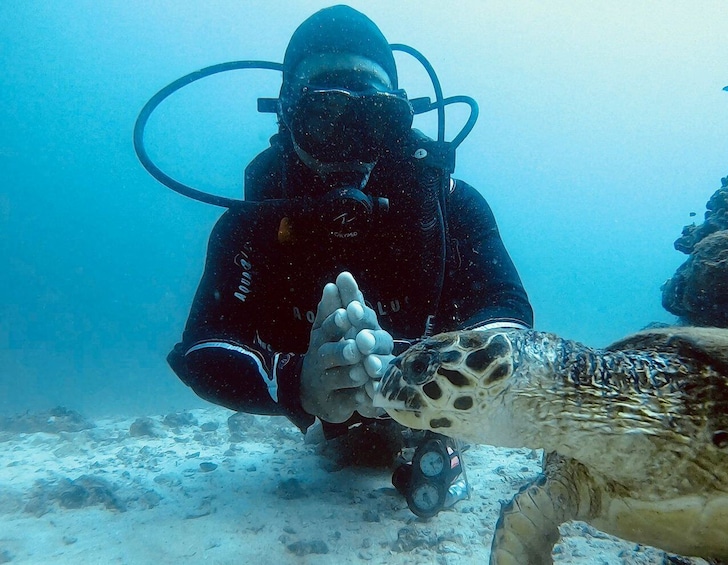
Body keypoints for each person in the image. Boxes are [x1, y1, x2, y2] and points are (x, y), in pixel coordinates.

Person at [167, 5, 533, 517]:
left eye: (375, 120)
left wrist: (416, 372)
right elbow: (203, 348)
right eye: (325, 117)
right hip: (324, 416)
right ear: (288, 114)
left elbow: (510, 313)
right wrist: (301, 384)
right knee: (341, 447)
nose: (351, 149)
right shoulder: (249, 225)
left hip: (435, 408)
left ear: (400, 119)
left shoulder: (453, 208)